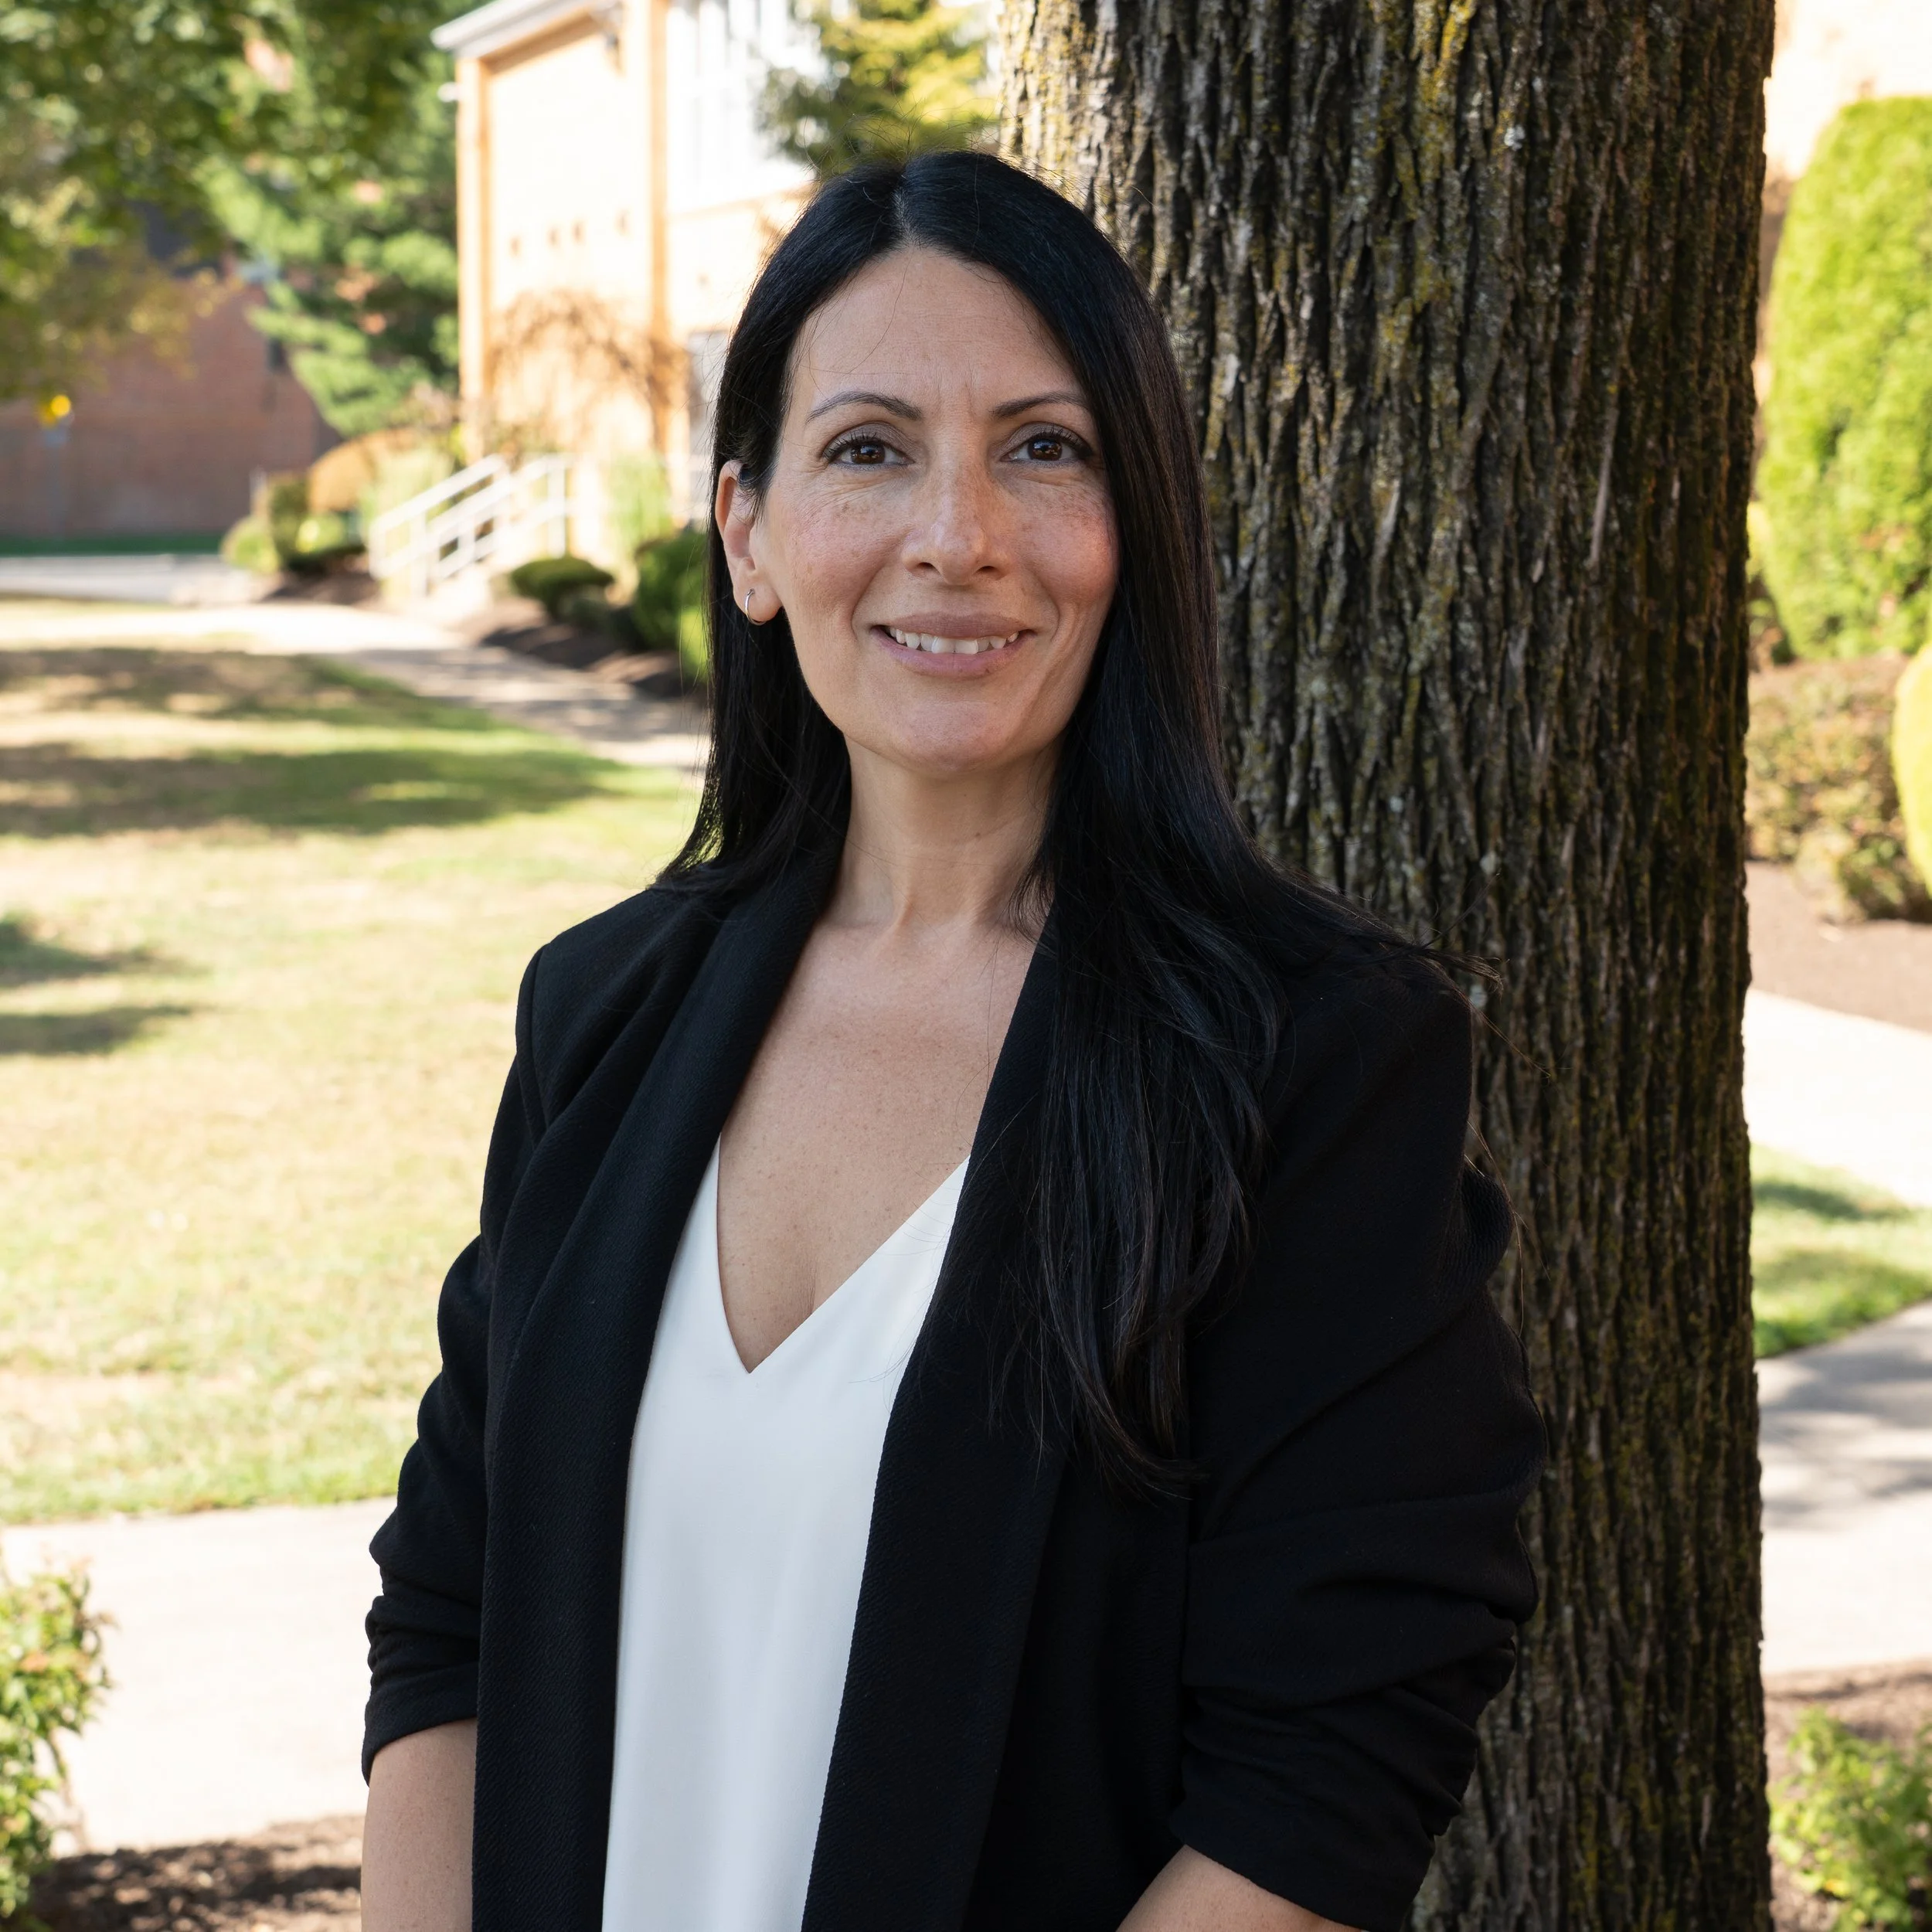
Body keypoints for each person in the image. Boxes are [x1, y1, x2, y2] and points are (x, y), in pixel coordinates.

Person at [357, 151, 1543, 1932]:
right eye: (868, 447)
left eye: (1041, 447)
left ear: (1127, 528)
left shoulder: (1311, 1062)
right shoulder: (601, 1017)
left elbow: (1327, 1760)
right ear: (746, 534)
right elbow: (448, 1614)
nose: (957, 532)